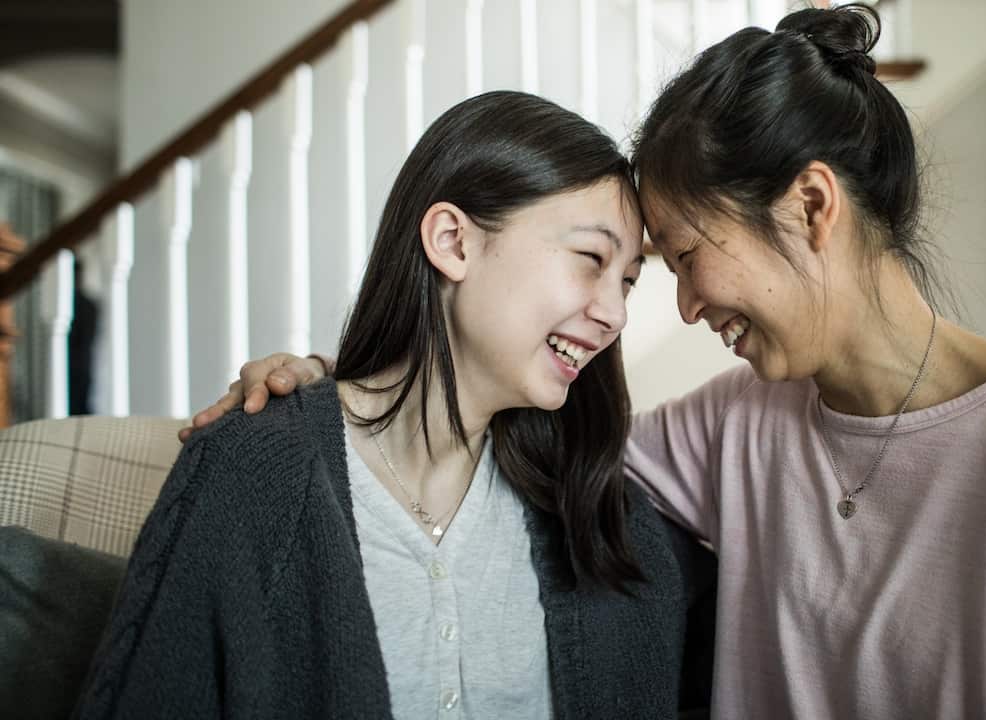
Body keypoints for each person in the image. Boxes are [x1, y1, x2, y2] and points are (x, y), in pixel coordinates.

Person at [189, 4, 986, 718]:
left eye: (685, 258)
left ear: (812, 207)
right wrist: (331, 385)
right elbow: (479, 437)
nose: (683, 307)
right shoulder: (726, 431)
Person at [77, 91, 714, 720]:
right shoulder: (252, 471)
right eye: (590, 259)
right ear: (452, 242)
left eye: (627, 280)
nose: (615, 312)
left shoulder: (601, 507)